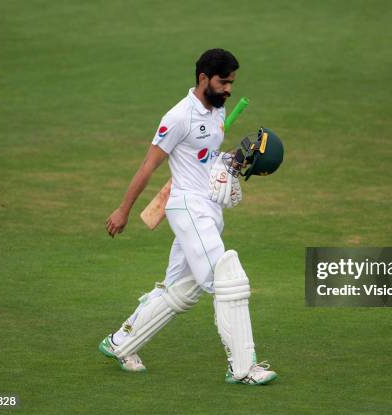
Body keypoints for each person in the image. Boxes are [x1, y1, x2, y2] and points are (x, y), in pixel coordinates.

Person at [99, 48, 278, 385]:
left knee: (182, 288)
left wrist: (231, 162)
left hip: (209, 208)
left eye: (231, 83)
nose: (228, 89)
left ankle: (121, 342)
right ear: (202, 79)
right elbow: (148, 166)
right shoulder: (178, 117)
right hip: (188, 208)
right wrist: (123, 210)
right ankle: (243, 368)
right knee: (228, 279)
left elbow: (205, 158)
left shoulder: (218, 114)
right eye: (223, 82)